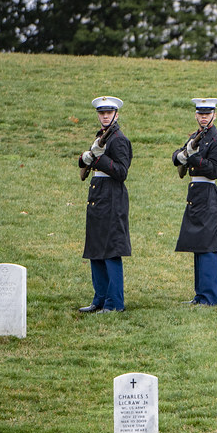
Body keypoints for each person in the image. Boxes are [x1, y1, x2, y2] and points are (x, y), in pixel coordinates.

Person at [174, 98, 217, 306]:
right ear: (196, 115)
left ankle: (211, 297)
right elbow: (176, 156)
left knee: (208, 247)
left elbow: (215, 169)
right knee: (198, 246)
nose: (204, 117)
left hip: (208, 192)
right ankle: (200, 295)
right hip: (195, 193)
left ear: (214, 115)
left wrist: (193, 157)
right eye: (200, 113)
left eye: (208, 113)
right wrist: (182, 155)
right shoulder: (195, 137)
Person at [78, 96, 132, 313]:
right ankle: (100, 298)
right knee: (96, 250)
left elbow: (121, 172)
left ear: (116, 114)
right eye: (102, 113)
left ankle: (114, 303)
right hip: (98, 196)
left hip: (111, 198)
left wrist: (99, 159)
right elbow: (91, 161)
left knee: (110, 251)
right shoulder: (102, 136)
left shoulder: (118, 139)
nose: (105, 116)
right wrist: (86, 158)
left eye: (109, 112)